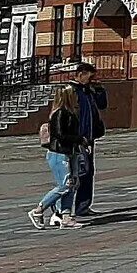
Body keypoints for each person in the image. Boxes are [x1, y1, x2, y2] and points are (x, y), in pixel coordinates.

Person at [29, 85, 83, 229]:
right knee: (65, 185)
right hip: (59, 153)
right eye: (74, 94)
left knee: (71, 185)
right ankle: (39, 210)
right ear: (67, 96)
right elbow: (59, 134)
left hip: (69, 152)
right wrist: (78, 139)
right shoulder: (59, 113)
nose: (77, 97)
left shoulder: (70, 112)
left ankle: (66, 217)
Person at [66, 61, 106, 219]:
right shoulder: (71, 91)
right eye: (90, 78)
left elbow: (102, 105)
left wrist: (99, 90)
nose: (92, 80)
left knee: (88, 172)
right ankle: (63, 208)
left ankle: (83, 206)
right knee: (77, 173)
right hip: (76, 139)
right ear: (81, 75)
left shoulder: (88, 91)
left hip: (88, 138)